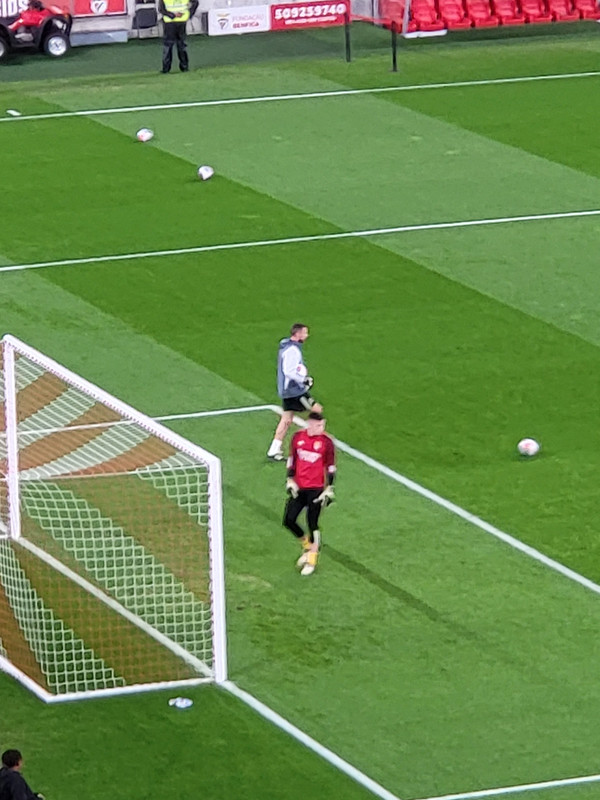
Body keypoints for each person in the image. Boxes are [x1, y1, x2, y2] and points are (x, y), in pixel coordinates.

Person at [283, 411, 336, 576]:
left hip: (316, 489)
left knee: (312, 523)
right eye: (318, 425)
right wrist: (290, 479)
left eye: (322, 425)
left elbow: (331, 466)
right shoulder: (298, 437)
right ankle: (307, 546)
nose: (321, 428)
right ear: (310, 424)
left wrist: (329, 488)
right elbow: (292, 460)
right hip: (300, 487)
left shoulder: (326, 442)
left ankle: (312, 559)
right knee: (289, 520)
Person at [266, 323, 323, 462]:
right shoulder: (292, 350)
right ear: (298, 334)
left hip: (287, 390)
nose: (307, 335)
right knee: (317, 409)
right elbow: (289, 371)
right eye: (305, 333)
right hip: (294, 390)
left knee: (287, 419)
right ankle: (314, 446)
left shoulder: (286, 345)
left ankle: (274, 449)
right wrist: (303, 380)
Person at [158, 0, 198, 74]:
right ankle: (184, 67)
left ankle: (166, 69)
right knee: (181, 45)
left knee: (168, 45)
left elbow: (161, 9)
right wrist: (189, 14)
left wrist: (172, 15)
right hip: (180, 20)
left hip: (170, 21)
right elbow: (195, 2)